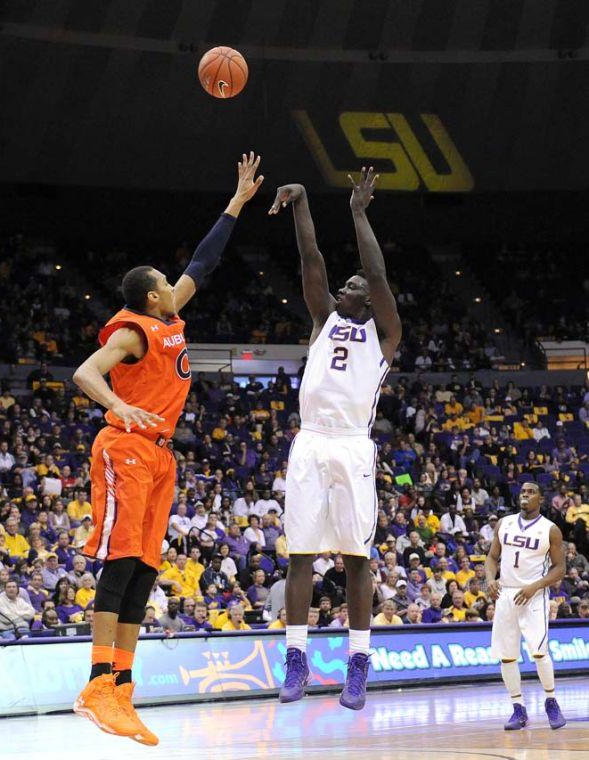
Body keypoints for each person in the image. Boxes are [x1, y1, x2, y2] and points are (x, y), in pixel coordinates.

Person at [71, 153, 263, 743]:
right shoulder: (132, 329)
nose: (172, 281)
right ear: (152, 297)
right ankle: (97, 684)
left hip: (159, 454)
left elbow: (204, 261)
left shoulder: (170, 317)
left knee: (145, 570)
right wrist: (117, 405)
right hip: (125, 445)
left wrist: (235, 202)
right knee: (121, 560)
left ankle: (122, 690)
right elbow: (85, 371)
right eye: (163, 280)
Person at [269, 169, 401, 711]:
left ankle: (358, 665)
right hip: (310, 442)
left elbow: (377, 271)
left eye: (354, 286)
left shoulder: (384, 333)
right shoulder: (324, 319)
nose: (345, 286)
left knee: (355, 557)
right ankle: (296, 661)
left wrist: (358, 212)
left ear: (369, 301)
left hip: (351, 444)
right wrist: (301, 203)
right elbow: (312, 262)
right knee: (300, 554)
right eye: (344, 285)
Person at [485, 482, 567, 731]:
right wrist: (490, 579)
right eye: (523, 491)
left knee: (539, 651)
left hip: (533, 595)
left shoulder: (550, 530)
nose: (525, 495)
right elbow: (491, 557)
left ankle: (551, 701)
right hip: (506, 594)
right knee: (507, 655)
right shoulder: (504, 523)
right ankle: (518, 708)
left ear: (540, 498)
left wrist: (535, 586)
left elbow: (560, 568)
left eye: (531, 492)